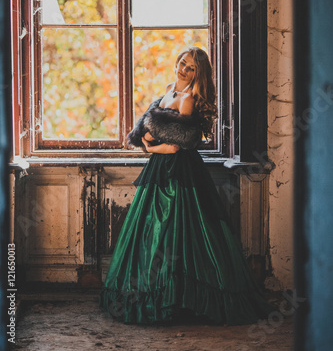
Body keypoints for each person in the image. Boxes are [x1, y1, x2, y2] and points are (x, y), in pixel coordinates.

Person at [99, 46, 274, 325]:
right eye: (182, 63)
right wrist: (145, 141)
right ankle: (163, 293)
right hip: (160, 170)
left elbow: (175, 147)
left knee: (178, 227)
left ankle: (178, 297)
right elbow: (150, 132)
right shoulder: (169, 89)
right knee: (154, 229)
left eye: (191, 67)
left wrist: (149, 146)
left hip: (179, 172)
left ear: (198, 73)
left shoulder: (190, 99)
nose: (184, 69)